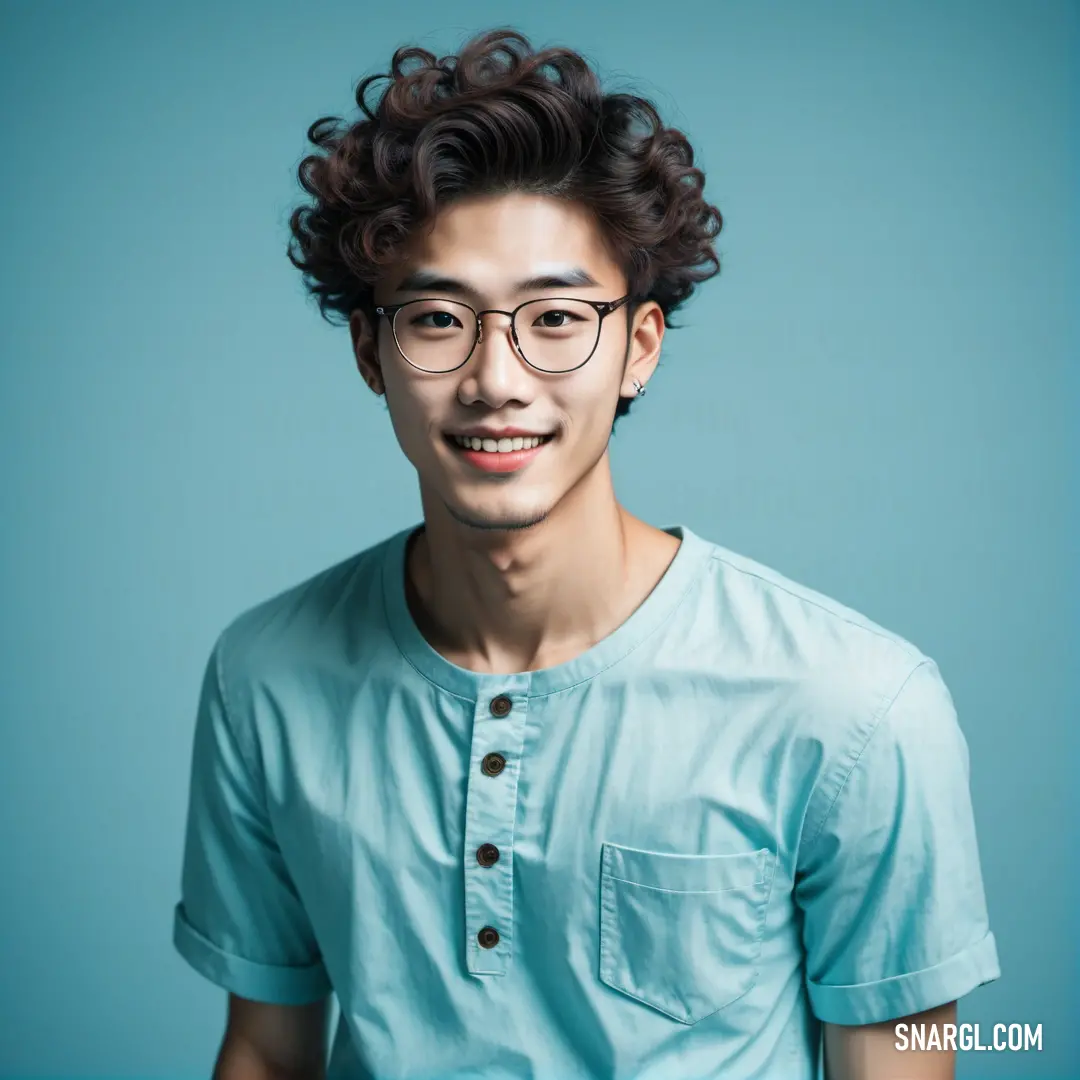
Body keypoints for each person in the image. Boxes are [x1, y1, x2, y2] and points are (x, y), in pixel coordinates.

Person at [172, 28, 1000, 1080]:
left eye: (557, 317)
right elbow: (264, 1051)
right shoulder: (264, 678)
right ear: (370, 352)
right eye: (436, 318)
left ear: (639, 348)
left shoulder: (857, 710)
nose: (495, 378)